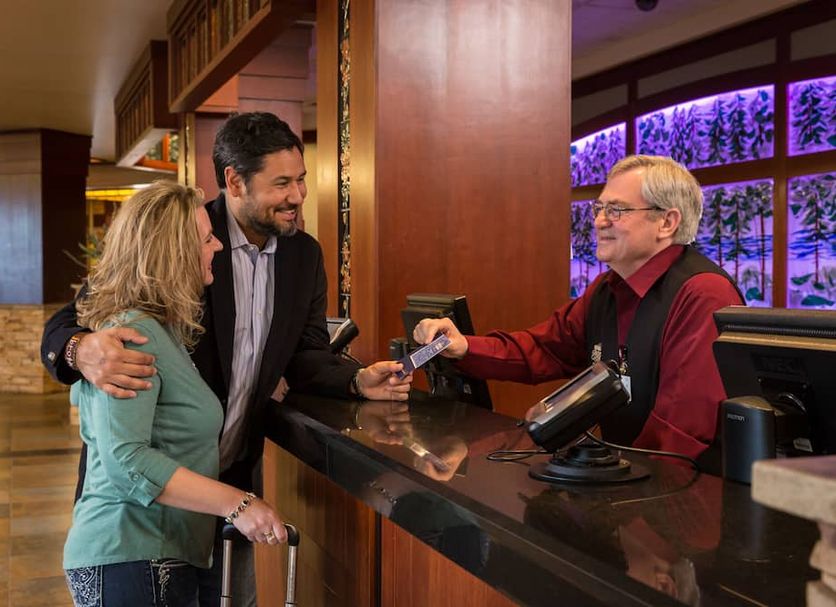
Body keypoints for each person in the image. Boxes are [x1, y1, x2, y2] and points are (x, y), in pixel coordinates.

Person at [42, 112, 412, 606]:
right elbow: (85, 315)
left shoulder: (303, 256)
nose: (298, 196)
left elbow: (307, 354)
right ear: (235, 182)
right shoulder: (182, 231)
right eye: (281, 183)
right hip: (143, 516)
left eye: (301, 179)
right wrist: (81, 348)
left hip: (225, 484)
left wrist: (357, 381)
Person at [414, 155, 744, 460]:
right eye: (598, 208)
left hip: (679, 492)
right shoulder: (606, 288)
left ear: (667, 222)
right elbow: (545, 348)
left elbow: (680, 433)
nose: (599, 221)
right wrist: (465, 347)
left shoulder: (703, 294)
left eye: (616, 210)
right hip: (629, 482)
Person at [63, 181, 288, 607]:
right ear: (173, 253)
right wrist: (239, 504)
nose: (218, 246)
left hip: (159, 554)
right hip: (131, 553)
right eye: (206, 239)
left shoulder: (161, 331)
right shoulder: (134, 334)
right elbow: (126, 461)